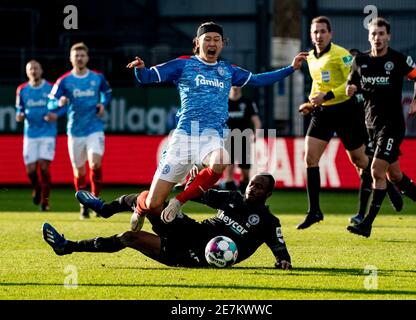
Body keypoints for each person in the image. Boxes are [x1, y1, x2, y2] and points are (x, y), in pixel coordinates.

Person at [125, 21, 308, 232]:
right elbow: (148, 77)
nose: (212, 43)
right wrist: (140, 69)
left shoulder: (227, 70)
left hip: (212, 136)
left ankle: (179, 200)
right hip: (185, 136)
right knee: (153, 204)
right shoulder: (183, 64)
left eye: (216, 39)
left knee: (221, 161)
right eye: (207, 39)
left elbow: (259, 80)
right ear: (197, 42)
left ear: (222, 44)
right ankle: (140, 206)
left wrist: (291, 68)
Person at [42, 172, 292, 270]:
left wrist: (283, 262)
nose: (253, 188)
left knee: (129, 238)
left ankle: (69, 246)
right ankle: (105, 209)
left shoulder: (269, 222)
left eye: (259, 187)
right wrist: (191, 183)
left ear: (268, 194)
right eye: (252, 184)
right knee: (149, 199)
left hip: (194, 257)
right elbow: (199, 194)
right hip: (189, 230)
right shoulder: (233, 198)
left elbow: (282, 253)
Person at [346, 17, 416, 237]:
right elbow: (352, 82)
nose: (377, 38)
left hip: (392, 125)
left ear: (389, 36)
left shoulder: (398, 60)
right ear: (369, 36)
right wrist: (350, 88)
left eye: (381, 34)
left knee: (376, 170)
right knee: (394, 175)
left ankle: (366, 224)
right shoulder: (360, 61)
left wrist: (415, 101)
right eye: (373, 34)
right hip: (371, 125)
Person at [296, 16, 372, 230]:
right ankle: (314, 211)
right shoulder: (310, 57)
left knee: (361, 161)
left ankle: (386, 184)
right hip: (323, 113)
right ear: (311, 35)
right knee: (310, 157)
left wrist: (327, 95)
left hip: (345, 111)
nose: (318, 36)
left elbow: (353, 85)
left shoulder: (342, 55)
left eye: (322, 31)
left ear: (330, 34)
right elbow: (316, 84)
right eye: (315, 32)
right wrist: (310, 103)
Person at [46, 42, 112, 220]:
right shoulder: (64, 80)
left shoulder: (97, 77)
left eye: (82, 55)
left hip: (94, 128)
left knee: (95, 164)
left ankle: (96, 201)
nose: (80, 58)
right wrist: (57, 103)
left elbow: (107, 92)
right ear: (71, 59)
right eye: (76, 55)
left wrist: (102, 104)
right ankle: (84, 205)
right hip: (75, 132)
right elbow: (50, 102)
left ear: (87, 58)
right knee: (79, 172)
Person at [347, 49, 403, 225]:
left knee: (370, 169)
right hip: (357, 128)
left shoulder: (370, 81)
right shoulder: (350, 82)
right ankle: (392, 190)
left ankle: (362, 215)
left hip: (373, 128)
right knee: (362, 165)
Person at [15, 60, 56, 211]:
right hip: (30, 134)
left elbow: (60, 106)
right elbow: (19, 108)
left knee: (44, 167)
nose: (33, 71)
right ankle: (37, 188)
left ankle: (45, 202)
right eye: (30, 69)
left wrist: (55, 114)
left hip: (47, 133)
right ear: (27, 72)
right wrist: (19, 115)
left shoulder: (51, 88)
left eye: (36, 68)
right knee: (31, 170)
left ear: (41, 70)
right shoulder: (22, 90)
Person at [222, 86, 262, 194]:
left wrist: (255, 135)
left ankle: (245, 197)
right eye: (233, 84)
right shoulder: (223, 101)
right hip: (228, 139)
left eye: (238, 84)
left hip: (244, 139)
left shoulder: (248, 102)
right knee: (229, 169)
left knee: (245, 173)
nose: (235, 86)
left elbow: (257, 122)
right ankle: (229, 199)